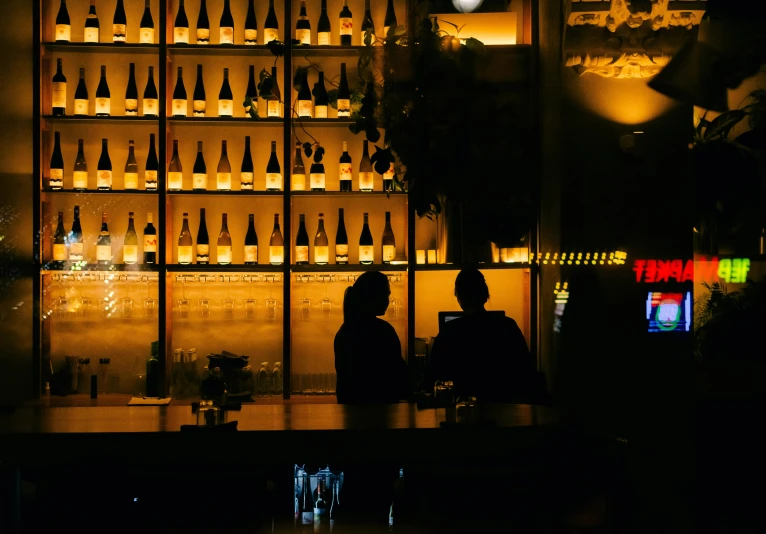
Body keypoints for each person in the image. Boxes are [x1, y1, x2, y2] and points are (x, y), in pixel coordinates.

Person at [426, 268, 539, 402]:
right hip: (503, 409)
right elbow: (526, 372)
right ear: (485, 294)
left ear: (459, 297)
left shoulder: (449, 332)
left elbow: (433, 377)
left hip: (461, 411)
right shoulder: (507, 326)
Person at [334, 271, 408, 404]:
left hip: (351, 414)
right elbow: (398, 375)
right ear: (373, 296)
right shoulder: (382, 330)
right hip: (382, 411)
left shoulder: (345, 330)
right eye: (386, 295)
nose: (388, 301)